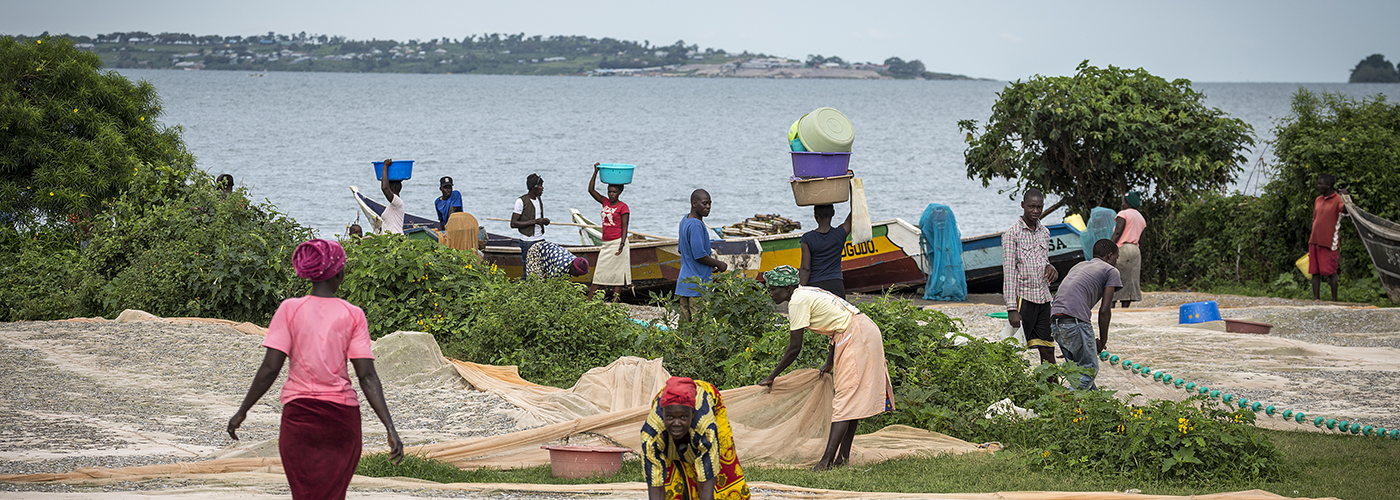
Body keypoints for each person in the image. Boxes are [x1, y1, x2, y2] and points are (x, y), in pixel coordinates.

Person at [227, 239, 404, 499]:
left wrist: (242, 411)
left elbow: (269, 369)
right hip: (342, 421)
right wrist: (390, 427)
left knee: (304, 494)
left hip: (299, 420)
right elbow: (366, 376)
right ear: (340, 274)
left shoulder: (289, 309)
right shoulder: (353, 314)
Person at [759, 265, 893, 471]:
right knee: (852, 400)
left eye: (773, 289)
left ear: (786, 289)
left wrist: (772, 376)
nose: (771, 294)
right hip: (860, 330)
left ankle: (825, 463)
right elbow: (836, 325)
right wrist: (829, 361)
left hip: (857, 336)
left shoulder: (797, 301)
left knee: (845, 399)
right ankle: (842, 458)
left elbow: (795, 347)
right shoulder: (806, 291)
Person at [640, 376, 751, 500]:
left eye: (682, 418)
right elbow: (654, 479)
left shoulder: (705, 426)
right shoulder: (651, 434)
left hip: (710, 402)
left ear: (693, 414)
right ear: (662, 413)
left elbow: (708, 469)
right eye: (671, 418)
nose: (676, 423)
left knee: (719, 458)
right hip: (668, 406)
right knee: (670, 463)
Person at [1049, 240, 1122, 391]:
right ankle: (1063, 404)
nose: (1116, 261)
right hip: (1075, 321)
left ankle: (1101, 409)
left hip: (1055, 320)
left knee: (1078, 373)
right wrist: (1102, 341)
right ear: (1109, 256)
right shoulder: (1110, 270)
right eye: (1116, 257)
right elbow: (1105, 310)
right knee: (1089, 371)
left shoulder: (1079, 265)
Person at [1003, 188, 1059, 366]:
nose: (1035, 211)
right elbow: (1010, 272)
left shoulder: (1045, 232)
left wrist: (1051, 268)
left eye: (1039, 207)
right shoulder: (1012, 234)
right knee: (1013, 350)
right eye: (1031, 207)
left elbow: (1044, 260)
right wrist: (1012, 308)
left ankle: (1053, 392)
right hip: (1023, 299)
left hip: (1043, 299)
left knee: (1048, 349)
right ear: (1023, 206)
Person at [676, 189, 727, 322]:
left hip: (684, 283)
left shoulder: (685, 220)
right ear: (694, 204)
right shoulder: (696, 225)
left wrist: (708, 266)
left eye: (710, 204)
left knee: (685, 326)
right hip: (698, 286)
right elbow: (699, 255)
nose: (708, 207)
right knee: (700, 326)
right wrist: (718, 264)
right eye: (704, 204)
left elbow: (682, 250)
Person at [587, 163, 631, 301]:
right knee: (599, 275)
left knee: (617, 276)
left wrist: (622, 243)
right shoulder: (605, 202)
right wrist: (595, 172)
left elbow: (625, 227)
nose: (611, 194)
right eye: (609, 191)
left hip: (618, 242)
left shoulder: (623, 207)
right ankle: (587, 304)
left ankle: (615, 304)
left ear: (619, 193)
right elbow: (591, 190)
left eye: (614, 192)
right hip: (606, 244)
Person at [800, 204, 853, 298]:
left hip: (815, 286)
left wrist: (800, 290)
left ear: (815, 216)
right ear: (833, 213)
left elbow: (806, 269)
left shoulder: (807, 238)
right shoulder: (840, 234)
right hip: (836, 285)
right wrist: (856, 194)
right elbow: (853, 217)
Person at [1310, 174, 1348, 301]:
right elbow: (1314, 219)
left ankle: (1334, 300)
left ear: (1329, 186)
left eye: (1322, 184)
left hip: (1329, 241)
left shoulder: (1338, 200)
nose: (1319, 186)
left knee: (1331, 271)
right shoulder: (1318, 200)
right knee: (1315, 271)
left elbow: (1346, 211)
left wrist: (1346, 197)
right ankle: (1316, 299)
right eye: (1319, 183)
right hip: (1314, 241)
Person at [1109, 191, 1147, 308]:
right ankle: (1125, 309)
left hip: (1123, 249)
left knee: (1115, 277)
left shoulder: (1123, 214)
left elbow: (1118, 232)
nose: (1122, 204)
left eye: (1123, 202)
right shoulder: (1141, 217)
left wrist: (1109, 247)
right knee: (1130, 279)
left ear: (1128, 203)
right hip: (1135, 250)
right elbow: (1141, 238)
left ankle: (1111, 306)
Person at [511, 173, 550, 260]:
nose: (542, 188)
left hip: (540, 239)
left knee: (541, 270)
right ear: (534, 187)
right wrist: (535, 221)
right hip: (527, 242)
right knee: (528, 270)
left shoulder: (538, 199)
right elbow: (513, 223)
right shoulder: (521, 201)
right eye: (540, 186)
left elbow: (536, 218)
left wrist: (544, 221)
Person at [524, 240, 591, 279]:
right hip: (537, 251)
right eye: (577, 273)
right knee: (535, 280)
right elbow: (549, 282)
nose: (576, 276)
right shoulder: (561, 267)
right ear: (573, 266)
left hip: (548, 252)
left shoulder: (574, 261)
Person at [379, 158, 406, 235]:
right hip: (390, 240)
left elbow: (384, 188)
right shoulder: (392, 204)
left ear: (392, 187)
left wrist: (385, 166)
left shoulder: (398, 202)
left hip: (396, 240)